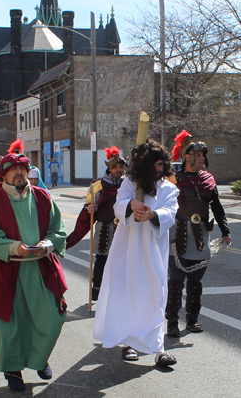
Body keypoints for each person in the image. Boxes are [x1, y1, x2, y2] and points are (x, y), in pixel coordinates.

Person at [0, 140, 67, 391]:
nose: (19, 173)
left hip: (40, 267)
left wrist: (47, 245)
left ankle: (39, 357)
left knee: (51, 317)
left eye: (22, 169)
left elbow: (57, 228)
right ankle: (13, 371)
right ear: (3, 174)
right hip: (8, 269)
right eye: (13, 170)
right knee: (9, 324)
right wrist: (16, 247)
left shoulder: (41, 197)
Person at [93, 139, 179, 368]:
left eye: (162, 164)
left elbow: (170, 212)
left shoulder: (169, 188)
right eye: (155, 164)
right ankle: (129, 344)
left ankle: (159, 349)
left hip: (153, 251)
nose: (159, 169)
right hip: (128, 249)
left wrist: (153, 215)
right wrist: (132, 204)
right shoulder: (130, 183)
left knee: (155, 296)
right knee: (129, 293)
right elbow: (118, 204)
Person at [166, 131, 231, 336]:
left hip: (201, 234)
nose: (203, 158)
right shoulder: (173, 179)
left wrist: (225, 230)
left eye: (204, 154)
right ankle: (172, 322)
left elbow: (217, 207)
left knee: (196, 282)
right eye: (199, 154)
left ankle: (192, 320)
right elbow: (163, 205)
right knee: (176, 282)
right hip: (178, 234)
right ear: (187, 156)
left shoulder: (208, 179)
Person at [66, 146, 126, 300]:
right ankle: (97, 289)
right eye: (116, 167)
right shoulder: (97, 186)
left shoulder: (128, 185)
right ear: (110, 169)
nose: (119, 170)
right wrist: (90, 208)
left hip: (123, 229)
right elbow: (88, 208)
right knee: (102, 260)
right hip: (104, 228)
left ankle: (118, 292)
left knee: (122, 262)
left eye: (121, 167)